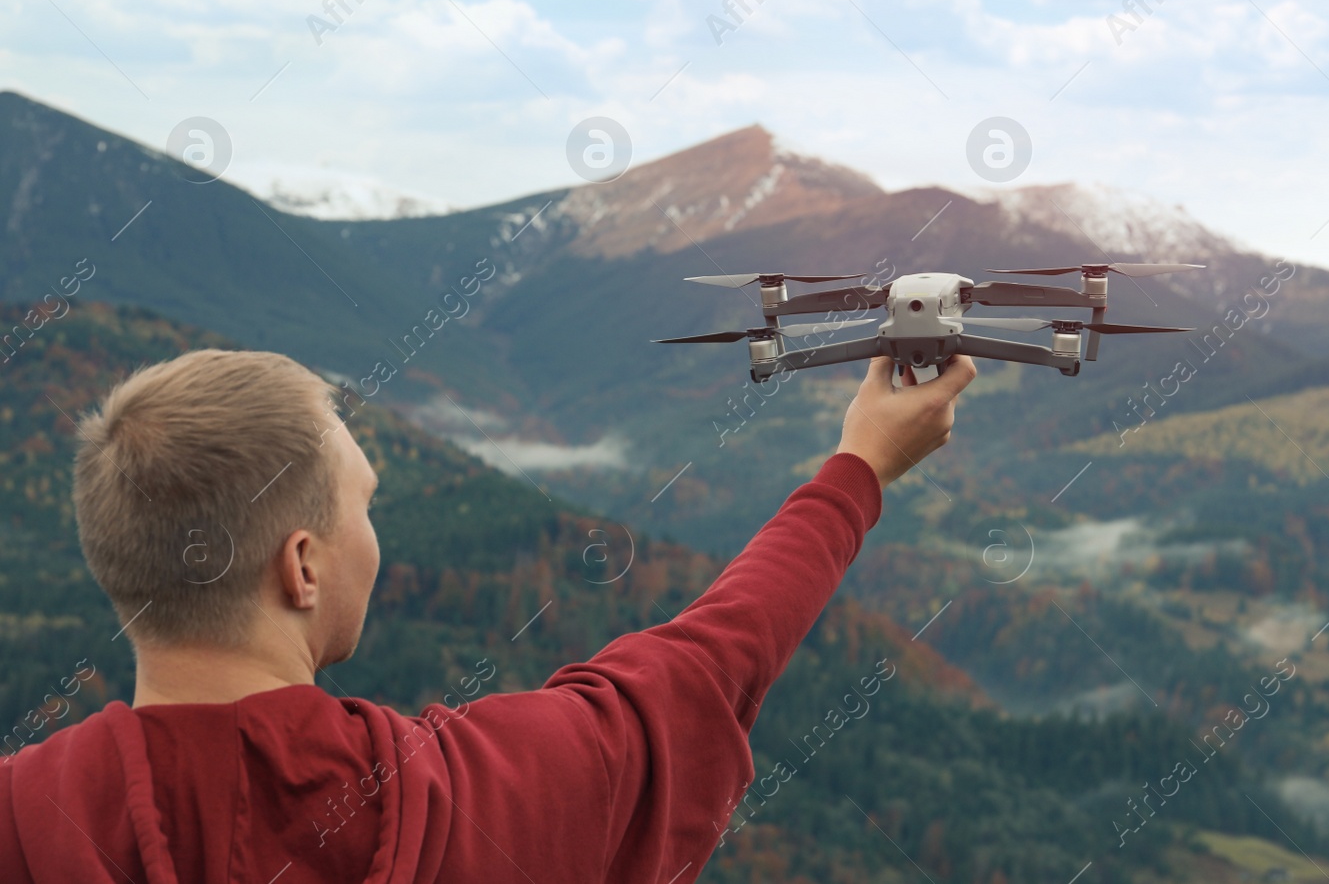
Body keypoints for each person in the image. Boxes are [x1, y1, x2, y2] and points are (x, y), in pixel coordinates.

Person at [0, 347, 976, 883]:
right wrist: (857, 471)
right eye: (364, 505)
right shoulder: (479, 798)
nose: (374, 539)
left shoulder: (22, 818)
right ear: (300, 565)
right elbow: (714, 655)